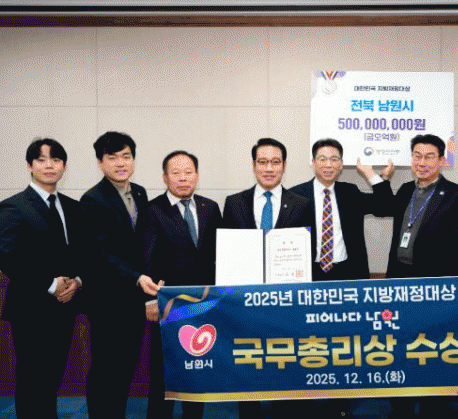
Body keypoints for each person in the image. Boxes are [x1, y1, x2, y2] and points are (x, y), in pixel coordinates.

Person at [221, 138, 312, 419]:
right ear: (253, 165)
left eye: (275, 162)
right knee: (247, 361)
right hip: (244, 301)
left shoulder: (301, 204)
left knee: (284, 360)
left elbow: (307, 254)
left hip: (286, 301)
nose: (269, 168)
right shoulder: (234, 203)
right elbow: (227, 253)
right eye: (263, 162)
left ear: (284, 165)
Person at [0, 138, 89, 418]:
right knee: (32, 379)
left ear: (64, 166)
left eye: (56, 160)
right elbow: (7, 256)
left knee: (52, 379)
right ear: (29, 165)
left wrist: (77, 280)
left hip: (65, 306)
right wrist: (50, 284)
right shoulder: (13, 207)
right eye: (41, 160)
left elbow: (84, 252)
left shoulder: (73, 207)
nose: (49, 165)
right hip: (31, 308)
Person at [385, 134, 458, 418]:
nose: (422, 163)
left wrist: (450, 292)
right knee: (400, 349)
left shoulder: (457, 196)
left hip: (435, 289)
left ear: (442, 160)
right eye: (417, 156)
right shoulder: (404, 190)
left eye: (429, 157)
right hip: (400, 284)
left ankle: (433, 407)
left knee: (432, 350)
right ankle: (401, 407)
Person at [140, 150, 222, 419]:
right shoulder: (153, 210)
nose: (183, 178)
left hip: (203, 303)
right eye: (176, 173)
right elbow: (146, 257)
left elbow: (219, 255)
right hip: (168, 304)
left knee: (197, 368)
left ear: (197, 175)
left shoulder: (211, 208)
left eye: (188, 172)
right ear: (165, 177)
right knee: (164, 371)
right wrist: (150, 300)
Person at [81, 132, 154, 418]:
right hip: (107, 301)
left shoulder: (140, 193)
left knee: (125, 366)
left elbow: (144, 244)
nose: (120, 163)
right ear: (100, 163)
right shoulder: (92, 199)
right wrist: (136, 276)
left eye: (126, 156)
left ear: (133, 160)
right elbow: (99, 252)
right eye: (112, 158)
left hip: (134, 299)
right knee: (106, 368)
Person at [290, 138, 394, 281]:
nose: (328, 165)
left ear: (341, 164)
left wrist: (370, 174)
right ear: (313, 162)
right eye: (322, 159)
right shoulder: (295, 195)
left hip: (348, 272)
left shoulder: (350, 192)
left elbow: (386, 207)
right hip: (308, 273)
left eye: (334, 159)